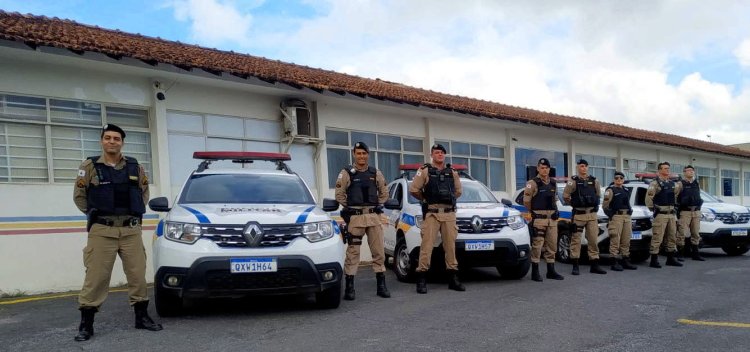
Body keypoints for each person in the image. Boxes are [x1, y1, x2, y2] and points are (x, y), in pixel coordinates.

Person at [72, 124, 162, 342]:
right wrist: (98, 214)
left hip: (130, 230)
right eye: (108, 138)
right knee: (96, 277)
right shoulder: (90, 166)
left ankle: (141, 317)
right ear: (102, 141)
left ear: (122, 142)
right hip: (102, 230)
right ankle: (86, 324)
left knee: (138, 275)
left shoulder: (135, 166)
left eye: (116, 139)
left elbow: (143, 193)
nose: (112, 142)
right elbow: (79, 196)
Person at [335, 142, 391, 300]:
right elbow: (339, 195)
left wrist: (377, 205)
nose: (361, 156)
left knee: (378, 252)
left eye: (364, 153)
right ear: (354, 154)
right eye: (358, 153)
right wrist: (352, 206)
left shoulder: (375, 172)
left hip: (373, 217)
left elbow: (384, 192)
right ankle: (350, 288)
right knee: (353, 252)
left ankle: (381, 286)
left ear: (368, 155)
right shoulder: (347, 173)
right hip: (356, 218)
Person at [409, 144, 465, 293]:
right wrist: (426, 198)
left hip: (448, 214)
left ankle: (453, 279)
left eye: (441, 153)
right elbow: (414, 189)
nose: (439, 155)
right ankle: (421, 279)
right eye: (436, 152)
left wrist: (447, 200)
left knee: (450, 248)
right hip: (432, 213)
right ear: (432, 155)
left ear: (444, 155)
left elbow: (458, 191)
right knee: (426, 247)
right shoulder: (425, 170)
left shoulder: (452, 172)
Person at [523, 158, 564, 282]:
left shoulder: (553, 182)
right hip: (539, 219)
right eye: (542, 167)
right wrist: (534, 213)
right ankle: (535, 272)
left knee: (552, 245)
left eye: (546, 168)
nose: (544, 170)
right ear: (538, 168)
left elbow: (554, 199)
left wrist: (556, 210)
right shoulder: (532, 183)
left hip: (551, 219)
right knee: (537, 245)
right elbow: (526, 202)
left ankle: (551, 271)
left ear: (549, 169)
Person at [563, 159, 606, 275]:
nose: (583, 168)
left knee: (593, 239)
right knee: (576, 240)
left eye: (585, 166)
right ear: (578, 167)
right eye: (581, 166)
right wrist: (575, 204)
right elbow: (566, 195)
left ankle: (594, 265)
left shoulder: (594, 180)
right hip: (579, 215)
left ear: (587, 167)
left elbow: (598, 195)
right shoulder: (573, 181)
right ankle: (575, 265)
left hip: (591, 215)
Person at [645, 162, 683, 268]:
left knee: (672, 237)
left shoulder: (672, 184)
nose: (667, 170)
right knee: (658, 237)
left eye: (668, 168)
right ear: (659, 170)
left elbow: (675, 196)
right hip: (661, 214)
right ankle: (654, 260)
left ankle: (670, 258)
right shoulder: (655, 184)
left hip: (671, 214)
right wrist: (655, 210)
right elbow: (648, 200)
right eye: (665, 168)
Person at [602, 171, 638, 271]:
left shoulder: (626, 189)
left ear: (623, 179)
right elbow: (605, 206)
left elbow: (627, 202)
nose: (619, 180)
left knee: (626, 239)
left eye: (621, 178)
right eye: (617, 178)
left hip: (626, 217)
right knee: (615, 240)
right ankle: (614, 261)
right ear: (614, 179)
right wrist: (612, 216)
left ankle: (625, 259)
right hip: (616, 216)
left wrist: (630, 210)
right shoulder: (610, 190)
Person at [676, 165, 705, 261]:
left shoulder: (696, 183)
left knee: (696, 233)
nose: (691, 172)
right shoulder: (680, 184)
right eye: (688, 170)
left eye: (692, 170)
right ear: (684, 173)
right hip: (685, 212)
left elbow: (698, 196)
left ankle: (695, 254)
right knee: (682, 233)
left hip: (696, 212)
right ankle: (680, 254)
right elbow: (675, 197)